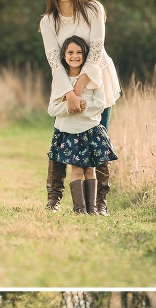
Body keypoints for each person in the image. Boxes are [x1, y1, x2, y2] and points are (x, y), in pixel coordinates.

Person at [40, 0, 121, 214]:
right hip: (65, 83)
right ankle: (53, 199)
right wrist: (69, 94)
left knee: (99, 140)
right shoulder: (48, 21)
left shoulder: (93, 9)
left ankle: (99, 204)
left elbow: (95, 51)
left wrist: (79, 91)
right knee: (62, 137)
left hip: (98, 81)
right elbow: (54, 60)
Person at [48, 35, 118, 214]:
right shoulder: (60, 81)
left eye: (79, 52)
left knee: (91, 169)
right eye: (70, 52)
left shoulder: (94, 79)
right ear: (63, 55)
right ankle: (78, 209)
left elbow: (100, 103)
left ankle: (93, 208)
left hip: (90, 131)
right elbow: (52, 109)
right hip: (70, 133)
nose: (75, 56)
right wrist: (69, 107)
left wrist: (83, 107)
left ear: (86, 55)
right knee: (77, 169)